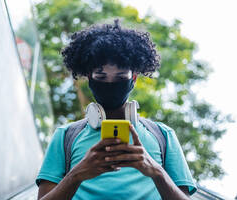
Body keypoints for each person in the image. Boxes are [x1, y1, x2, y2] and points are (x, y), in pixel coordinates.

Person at [36, 19, 197, 200]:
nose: (110, 83)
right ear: (89, 77)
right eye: (101, 76)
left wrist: (155, 171)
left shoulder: (163, 135)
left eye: (120, 76)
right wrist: (77, 174)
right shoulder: (65, 136)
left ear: (134, 78)